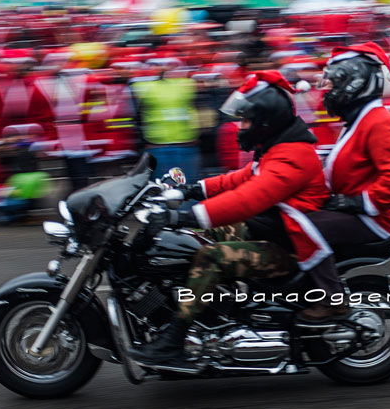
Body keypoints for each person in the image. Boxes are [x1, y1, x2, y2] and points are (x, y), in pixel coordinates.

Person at [129, 71, 329, 368]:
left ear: (265, 121)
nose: (240, 126)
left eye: (246, 120)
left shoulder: (294, 156)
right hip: (272, 230)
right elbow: (239, 179)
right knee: (193, 241)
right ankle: (210, 312)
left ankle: (172, 341)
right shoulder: (278, 149)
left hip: (291, 247)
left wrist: (183, 216)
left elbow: (249, 198)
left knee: (211, 257)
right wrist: (190, 189)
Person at [300, 41, 390, 321]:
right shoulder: (359, 120)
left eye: (335, 83)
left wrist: (356, 201)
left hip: (372, 219)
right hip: (354, 211)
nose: (329, 91)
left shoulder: (379, 123)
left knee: (299, 226)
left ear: (355, 82)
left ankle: (330, 298)